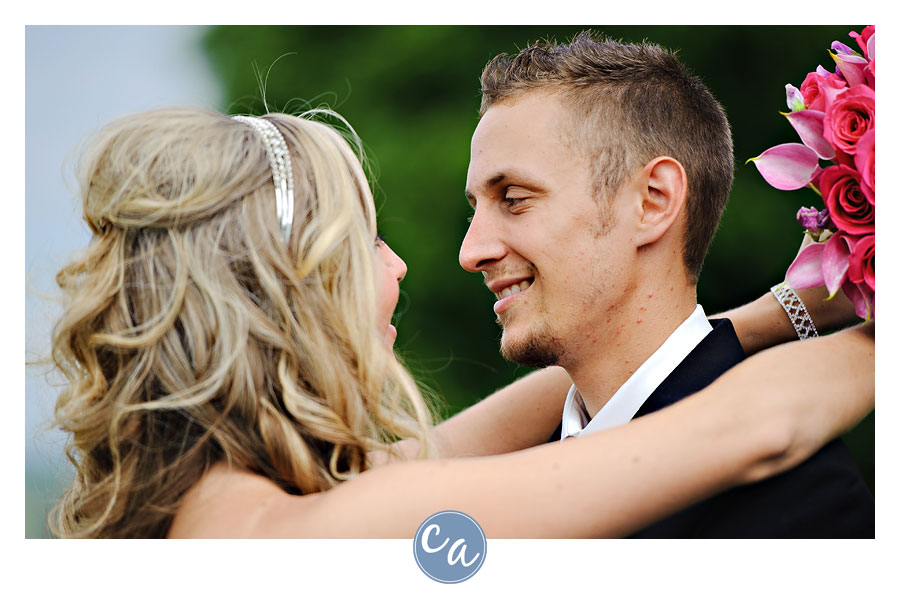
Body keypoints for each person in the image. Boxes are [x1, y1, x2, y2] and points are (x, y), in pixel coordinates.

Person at [48, 107, 873, 539]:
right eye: (365, 242)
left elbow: (579, 390)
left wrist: (790, 306)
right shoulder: (323, 527)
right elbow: (757, 426)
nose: (403, 265)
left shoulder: (228, 509)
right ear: (282, 292)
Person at [459, 32, 874, 537]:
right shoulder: (500, 468)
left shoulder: (795, 504)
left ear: (652, 201)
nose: (471, 251)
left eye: (515, 198)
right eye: (474, 207)